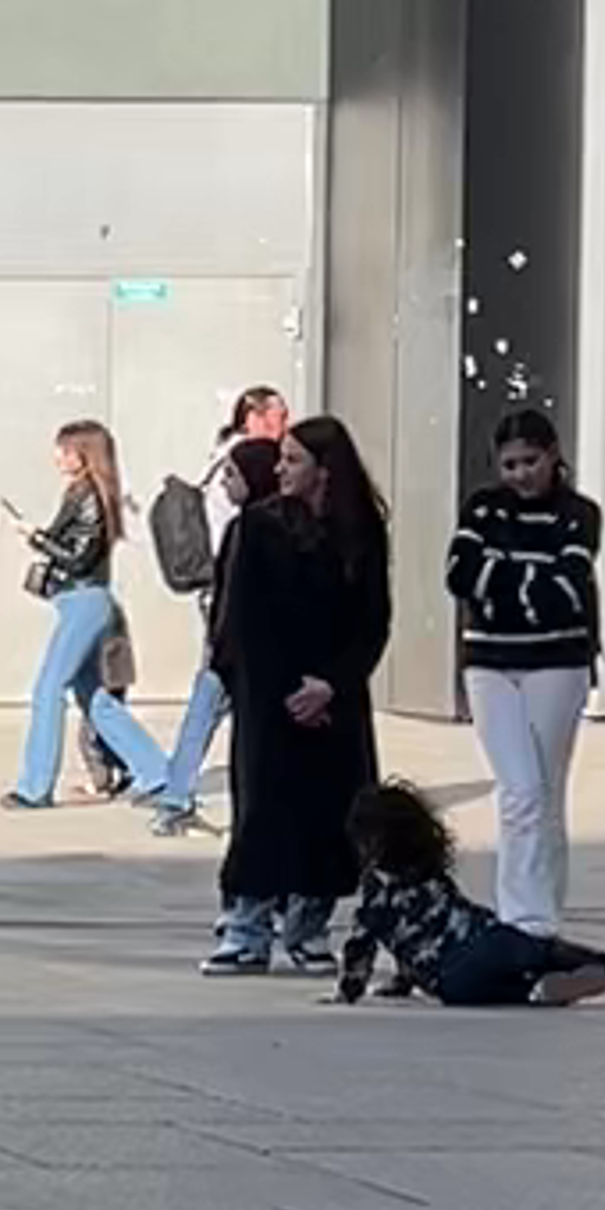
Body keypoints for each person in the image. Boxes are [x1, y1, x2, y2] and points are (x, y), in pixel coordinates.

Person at [210, 412, 390, 972]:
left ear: (325, 471)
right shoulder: (258, 528)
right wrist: (287, 691)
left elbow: (373, 620)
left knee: (333, 810)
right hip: (270, 694)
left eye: (292, 460)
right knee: (263, 810)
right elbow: (242, 621)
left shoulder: (361, 531)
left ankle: (310, 928)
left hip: (335, 696)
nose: (281, 470)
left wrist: (332, 685)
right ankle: (246, 929)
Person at [445, 404, 602, 930]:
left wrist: (501, 577)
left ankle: (540, 912)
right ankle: (524, 917)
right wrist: (529, 579)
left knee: (544, 791)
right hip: (489, 662)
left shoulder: (579, 512)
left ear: (553, 455)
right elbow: (459, 573)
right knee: (520, 790)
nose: (519, 474)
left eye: (530, 461)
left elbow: (568, 587)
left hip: (557, 662)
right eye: (509, 464)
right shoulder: (483, 508)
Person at [336, 775, 605, 1014]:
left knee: (491, 989)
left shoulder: (378, 895)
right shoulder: (431, 875)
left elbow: (365, 944)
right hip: (487, 936)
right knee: (544, 950)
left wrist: (350, 990)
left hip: (450, 976)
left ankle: (535, 990)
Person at [138, 391, 291, 830]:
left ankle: (176, 794)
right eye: (280, 414)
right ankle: (177, 796)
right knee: (218, 690)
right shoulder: (244, 465)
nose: (287, 422)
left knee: (213, 691)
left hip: (226, 598)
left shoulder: (222, 456)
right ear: (256, 417)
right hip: (235, 601)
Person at [11, 420, 174, 811]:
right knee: (95, 698)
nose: (59, 457)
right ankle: (157, 774)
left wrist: (35, 536)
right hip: (81, 601)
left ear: (85, 455)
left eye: (66, 450)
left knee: (48, 689)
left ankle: (35, 787)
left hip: (84, 601)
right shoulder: (85, 494)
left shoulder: (89, 498)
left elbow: (80, 557)